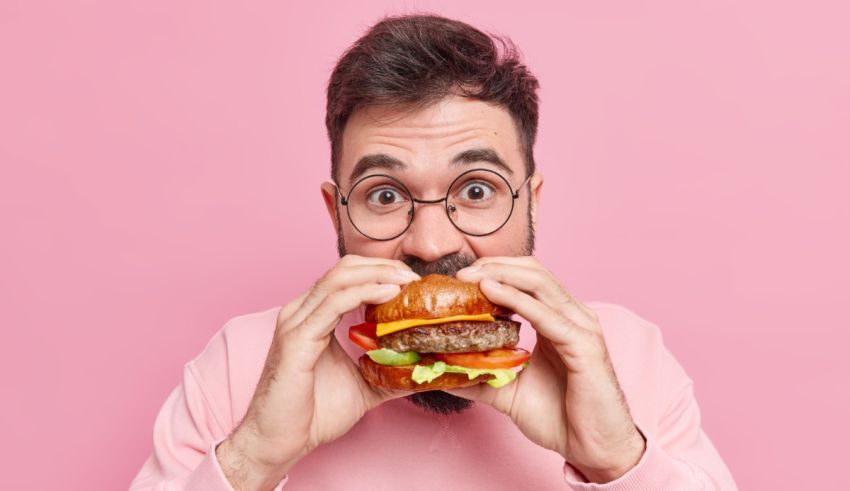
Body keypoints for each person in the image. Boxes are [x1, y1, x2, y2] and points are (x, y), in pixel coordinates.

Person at [130, 13, 737, 490]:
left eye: (476, 190)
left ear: (532, 202)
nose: (430, 244)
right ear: (334, 211)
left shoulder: (626, 357)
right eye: (385, 194)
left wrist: (618, 462)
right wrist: (253, 458)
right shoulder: (242, 365)